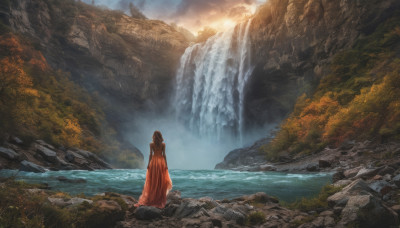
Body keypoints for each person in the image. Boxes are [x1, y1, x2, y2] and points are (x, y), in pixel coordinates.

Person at [135, 131, 172, 208]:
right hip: (161, 162)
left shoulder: (151, 144)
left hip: (154, 162)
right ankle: (159, 196)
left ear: (154, 136)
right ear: (160, 136)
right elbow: (164, 155)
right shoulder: (163, 144)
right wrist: (166, 165)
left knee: (153, 180)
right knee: (161, 180)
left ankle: (152, 197)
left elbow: (150, 154)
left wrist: (148, 164)